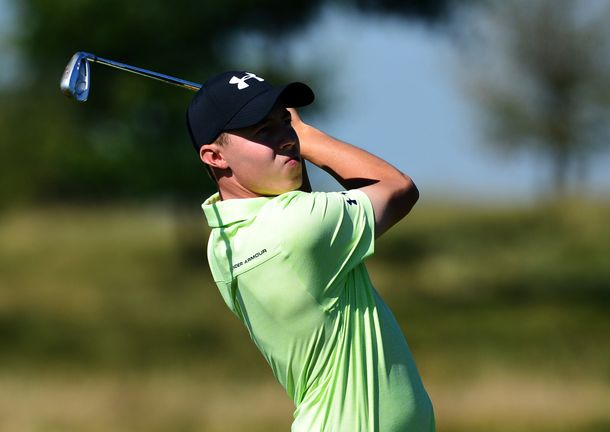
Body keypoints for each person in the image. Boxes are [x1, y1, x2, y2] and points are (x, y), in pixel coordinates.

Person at [186, 71, 435, 431]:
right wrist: (306, 135)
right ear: (214, 156)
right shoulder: (297, 228)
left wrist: (281, 139)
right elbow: (397, 189)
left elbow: (295, 199)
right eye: (262, 131)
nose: (284, 138)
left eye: (284, 122)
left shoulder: (223, 243)